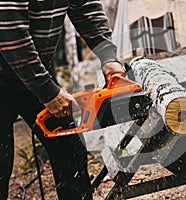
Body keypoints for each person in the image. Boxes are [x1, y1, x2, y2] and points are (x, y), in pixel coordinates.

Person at [0, 0, 125, 199]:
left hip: (35, 69)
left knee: (70, 150)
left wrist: (108, 57)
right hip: (9, 69)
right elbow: (10, 32)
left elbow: (85, 7)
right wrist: (48, 92)